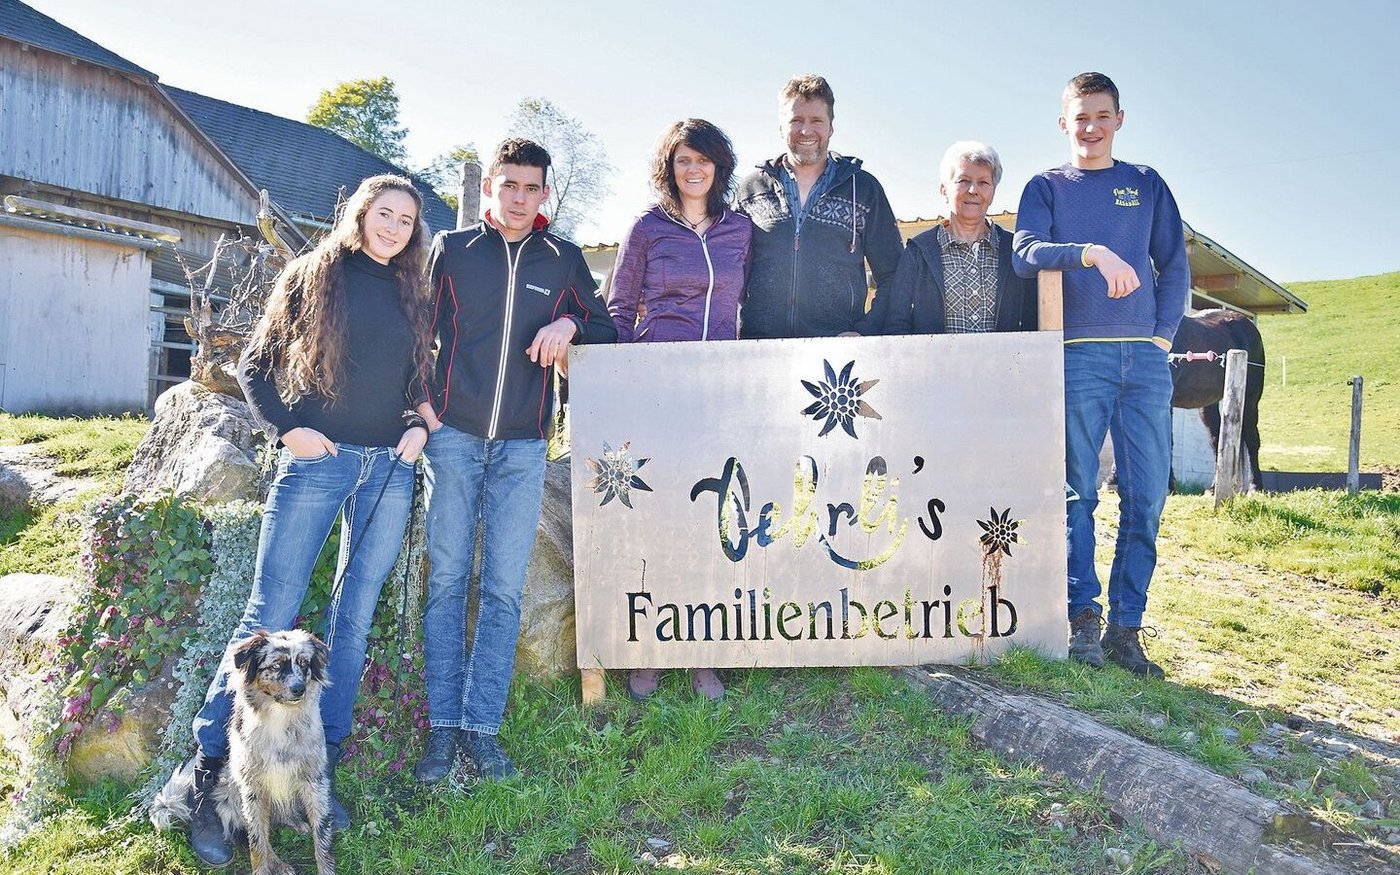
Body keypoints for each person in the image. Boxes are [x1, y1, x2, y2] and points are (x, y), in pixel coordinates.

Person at [185, 174, 433, 867]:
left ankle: (322, 767)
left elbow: (415, 378)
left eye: (407, 220)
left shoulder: (411, 290)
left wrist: (417, 423)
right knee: (269, 610)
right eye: (385, 213)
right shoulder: (313, 275)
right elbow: (254, 364)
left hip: (387, 467)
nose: (394, 227)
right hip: (318, 461)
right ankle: (209, 775)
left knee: (354, 617)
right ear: (360, 213)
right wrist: (287, 430)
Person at [413, 138, 616, 785]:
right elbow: (415, 332)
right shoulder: (452, 251)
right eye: (509, 186)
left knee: (503, 588)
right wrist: (425, 411)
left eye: (531, 188)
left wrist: (570, 327)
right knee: (448, 580)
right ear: (489, 188)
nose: (520, 198)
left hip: (524, 447)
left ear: (544, 193)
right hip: (453, 437)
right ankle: (442, 729)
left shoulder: (563, 259)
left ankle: (482, 730)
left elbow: (605, 327)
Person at [1012, 72, 1189, 678]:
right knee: (1077, 494)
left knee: (1147, 496)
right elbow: (1025, 252)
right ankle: (1081, 618)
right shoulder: (1046, 187)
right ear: (1064, 122)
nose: (1091, 127)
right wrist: (1092, 251)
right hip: (1079, 354)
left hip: (1145, 360)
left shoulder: (1146, 184)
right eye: (1080, 117)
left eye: (1102, 116)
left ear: (1119, 120)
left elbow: (1174, 264)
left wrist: (1161, 336)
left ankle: (1126, 628)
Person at [606, 118, 753, 700]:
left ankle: (703, 652)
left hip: (719, 390)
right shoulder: (647, 227)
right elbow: (619, 309)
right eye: (683, 160)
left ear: (719, 167)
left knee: (713, 516)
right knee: (657, 519)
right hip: (656, 388)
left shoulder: (740, 229)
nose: (694, 170)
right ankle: (648, 648)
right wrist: (621, 384)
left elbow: (748, 304)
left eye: (703, 160)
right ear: (669, 167)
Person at [733, 74, 904, 338]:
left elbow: (894, 275)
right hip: (761, 348)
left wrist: (866, 331)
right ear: (781, 127)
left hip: (836, 352)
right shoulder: (750, 190)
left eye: (816, 120)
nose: (806, 130)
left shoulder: (864, 189)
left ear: (831, 127)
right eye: (796, 120)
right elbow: (728, 271)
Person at [883, 141, 1037, 335]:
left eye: (983, 182)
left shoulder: (1015, 251)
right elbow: (897, 322)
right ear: (944, 189)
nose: (973, 190)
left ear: (992, 192)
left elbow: (1032, 321)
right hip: (934, 356)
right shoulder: (918, 252)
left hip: (1006, 356)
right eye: (964, 180)